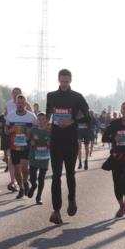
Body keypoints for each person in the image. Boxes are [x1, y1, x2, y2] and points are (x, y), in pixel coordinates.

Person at [45, 69, 89, 225]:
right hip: (56, 140)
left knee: (70, 174)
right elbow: (48, 113)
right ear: (58, 80)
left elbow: (87, 116)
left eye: (66, 81)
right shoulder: (51, 96)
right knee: (56, 176)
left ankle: (72, 199)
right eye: (62, 81)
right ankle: (56, 210)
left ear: (70, 80)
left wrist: (72, 121)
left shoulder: (77, 97)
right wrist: (48, 123)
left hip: (70, 140)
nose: (64, 84)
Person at [5, 94, 37, 199]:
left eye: (22, 103)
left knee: (24, 167)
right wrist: (12, 130)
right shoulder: (10, 116)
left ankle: (25, 181)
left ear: (25, 104)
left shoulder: (32, 117)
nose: (20, 105)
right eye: (18, 103)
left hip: (26, 146)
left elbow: (37, 132)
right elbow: (6, 131)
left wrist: (31, 134)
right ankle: (21, 188)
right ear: (16, 104)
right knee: (17, 170)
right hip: (14, 147)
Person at [28, 112, 51, 204]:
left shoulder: (49, 131)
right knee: (32, 178)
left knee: (41, 178)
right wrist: (31, 142)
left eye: (43, 119)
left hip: (44, 157)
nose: (41, 121)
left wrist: (50, 143)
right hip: (34, 156)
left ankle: (38, 197)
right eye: (39, 119)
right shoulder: (33, 130)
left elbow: (53, 143)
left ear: (46, 120)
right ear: (37, 120)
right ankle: (33, 186)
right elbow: (28, 139)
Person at [0, 104, 13, 181]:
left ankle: (10, 165)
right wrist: (0, 125)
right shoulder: (1, 117)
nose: (6, 110)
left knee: (10, 153)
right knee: (5, 155)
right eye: (5, 109)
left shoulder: (11, 116)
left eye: (7, 109)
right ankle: (7, 164)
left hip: (10, 136)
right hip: (4, 137)